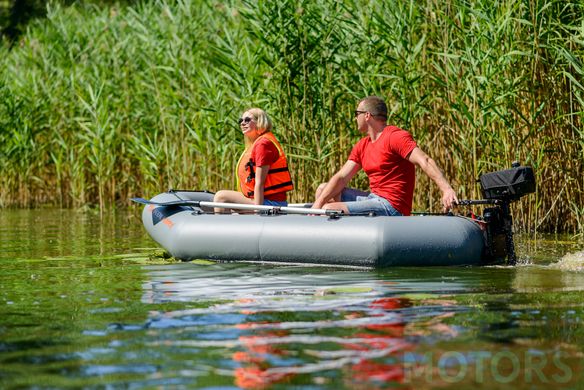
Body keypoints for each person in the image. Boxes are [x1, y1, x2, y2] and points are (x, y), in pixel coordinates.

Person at [312, 96, 457, 216]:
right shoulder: (363, 145)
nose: (355, 118)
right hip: (373, 199)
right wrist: (317, 203)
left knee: (327, 209)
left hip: (392, 206)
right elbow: (342, 177)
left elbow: (424, 160)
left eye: (357, 114)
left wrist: (446, 189)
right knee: (322, 189)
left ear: (367, 115)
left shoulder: (395, 137)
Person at [213, 108, 293, 213]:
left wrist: (257, 210)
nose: (242, 123)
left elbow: (260, 182)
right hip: (263, 200)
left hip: (270, 203)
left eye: (247, 120)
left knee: (221, 197)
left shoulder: (263, 144)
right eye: (240, 120)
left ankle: (219, 229)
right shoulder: (257, 143)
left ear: (259, 121)